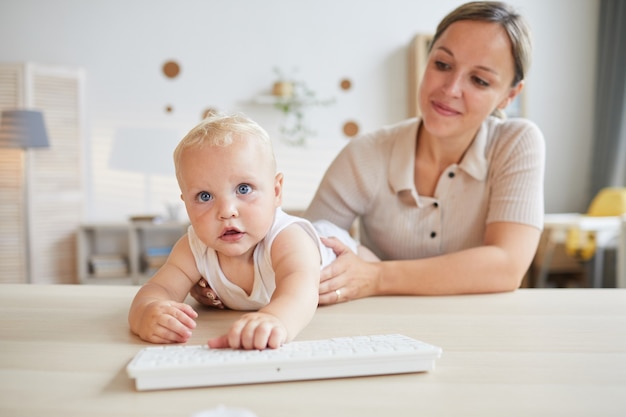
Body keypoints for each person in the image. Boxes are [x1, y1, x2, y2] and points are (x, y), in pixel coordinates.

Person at [192, 1, 544, 308]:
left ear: (508, 97)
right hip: (385, 324)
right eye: (442, 64)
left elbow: (507, 265)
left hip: (483, 325)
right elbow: (304, 244)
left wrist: (376, 277)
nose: (450, 89)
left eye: (479, 81)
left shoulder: (516, 143)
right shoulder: (366, 154)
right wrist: (225, 280)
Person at [128, 112, 376, 349]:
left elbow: (300, 288)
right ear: (185, 204)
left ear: (276, 191)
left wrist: (275, 319)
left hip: (333, 246)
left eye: (244, 189)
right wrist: (146, 312)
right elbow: (160, 289)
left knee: (371, 264)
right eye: (204, 196)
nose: (226, 211)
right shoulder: (193, 248)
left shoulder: (288, 239)